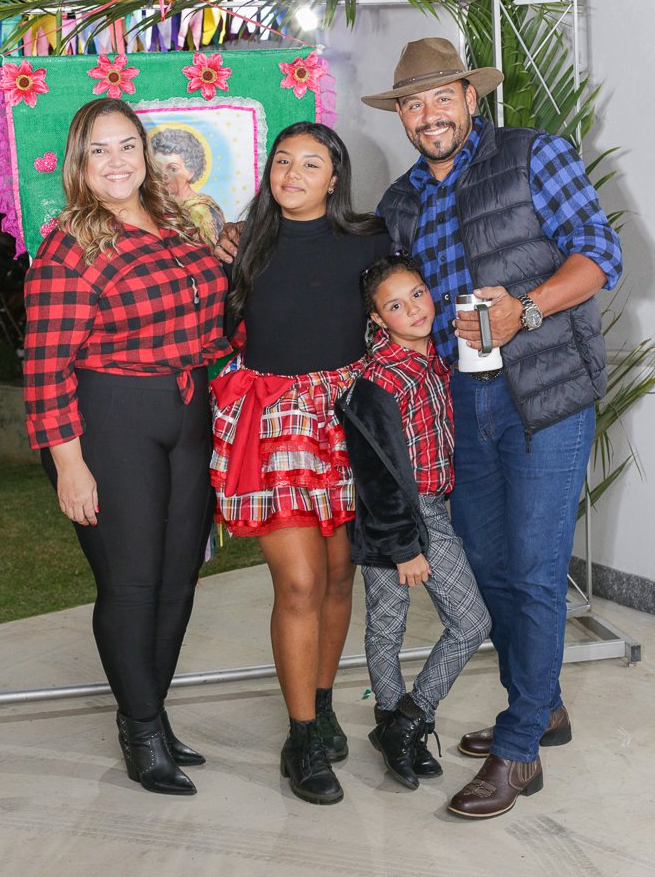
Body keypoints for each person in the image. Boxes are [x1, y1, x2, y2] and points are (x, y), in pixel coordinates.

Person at [361, 37, 623, 818]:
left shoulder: (533, 155)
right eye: (412, 102)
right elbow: (379, 288)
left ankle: (518, 753)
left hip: (543, 396)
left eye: (443, 96)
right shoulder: (400, 201)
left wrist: (528, 307)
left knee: (536, 570)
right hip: (457, 409)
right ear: (402, 117)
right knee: (491, 568)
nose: (428, 112)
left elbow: (598, 252)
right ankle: (539, 708)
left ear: (472, 98)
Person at [23, 97, 230, 797]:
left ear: (147, 153)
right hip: (112, 416)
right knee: (131, 583)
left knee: (178, 580)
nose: (116, 162)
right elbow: (44, 364)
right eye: (99, 150)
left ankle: (152, 713)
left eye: (127, 146)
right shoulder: (70, 242)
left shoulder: (176, 223)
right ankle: (140, 729)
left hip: (186, 406)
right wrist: (69, 465)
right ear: (81, 163)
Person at [209, 121, 390, 805]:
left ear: (333, 178)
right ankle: (301, 736)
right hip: (272, 421)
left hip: (344, 423)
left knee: (340, 576)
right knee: (300, 582)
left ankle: (321, 698)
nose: (291, 173)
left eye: (309, 163)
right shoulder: (242, 243)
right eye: (282, 161)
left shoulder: (369, 241)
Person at [335, 253, 491, 791]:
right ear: (378, 320)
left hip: (431, 509)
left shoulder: (434, 359)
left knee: (468, 622)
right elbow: (376, 474)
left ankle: (407, 722)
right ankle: (393, 721)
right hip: (396, 516)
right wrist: (402, 545)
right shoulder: (378, 381)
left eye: (417, 295)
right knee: (389, 621)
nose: (413, 309)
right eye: (395, 306)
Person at [151, 127, 225, 245]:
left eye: (173, 169)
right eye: (158, 168)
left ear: (191, 171)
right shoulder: (164, 206)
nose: (163, 175)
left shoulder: (199, 211)